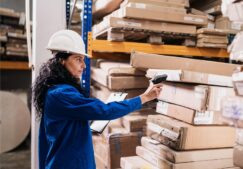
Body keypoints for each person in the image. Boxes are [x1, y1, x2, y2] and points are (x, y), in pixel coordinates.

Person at [33, 30, 163, 169]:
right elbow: (105, 111)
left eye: (83, 60)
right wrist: (145, 97)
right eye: (78, 59)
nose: (84, 65)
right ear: (61, 61)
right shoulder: (61, 94)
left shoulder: (56, 90)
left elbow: (60, 131)